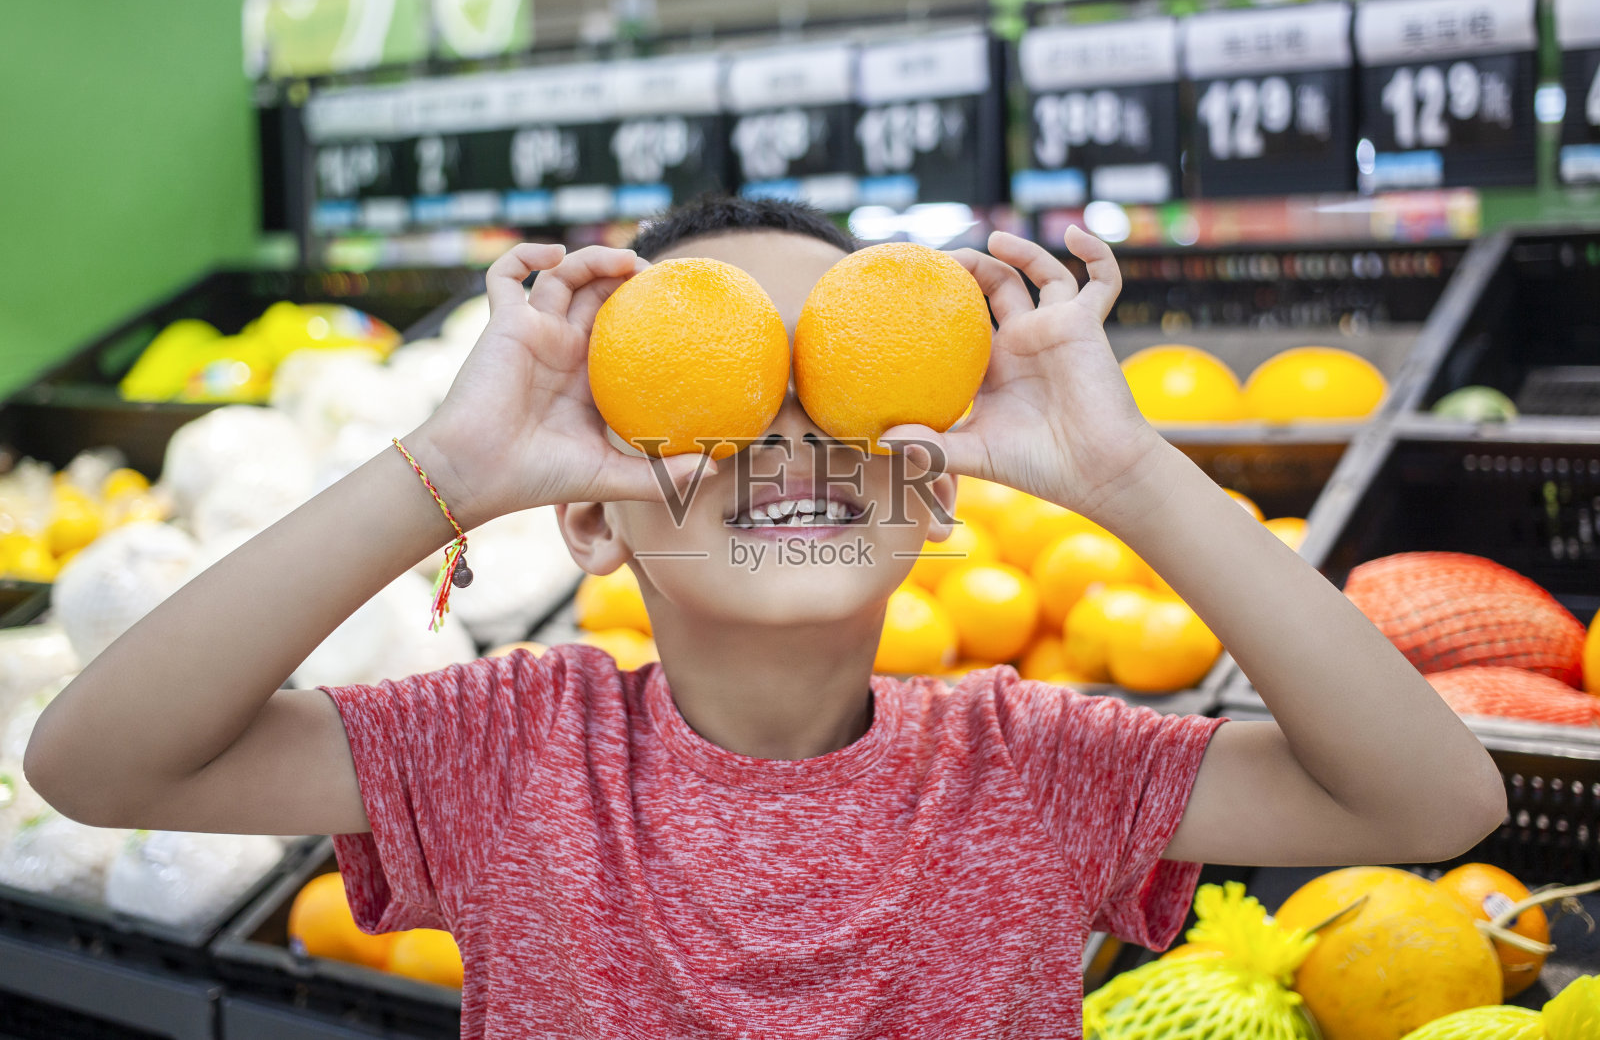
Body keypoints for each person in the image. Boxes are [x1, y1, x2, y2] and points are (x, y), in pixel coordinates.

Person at [25, 196, 1505, 1038]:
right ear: (594, 519)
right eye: (720, 392)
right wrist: (452, 474)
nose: (789, 437)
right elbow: (99, 763)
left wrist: (1123, 470)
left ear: (935, 486)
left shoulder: (1037, 766)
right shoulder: (508, 750)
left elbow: (1433, 800)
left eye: (849, 387)